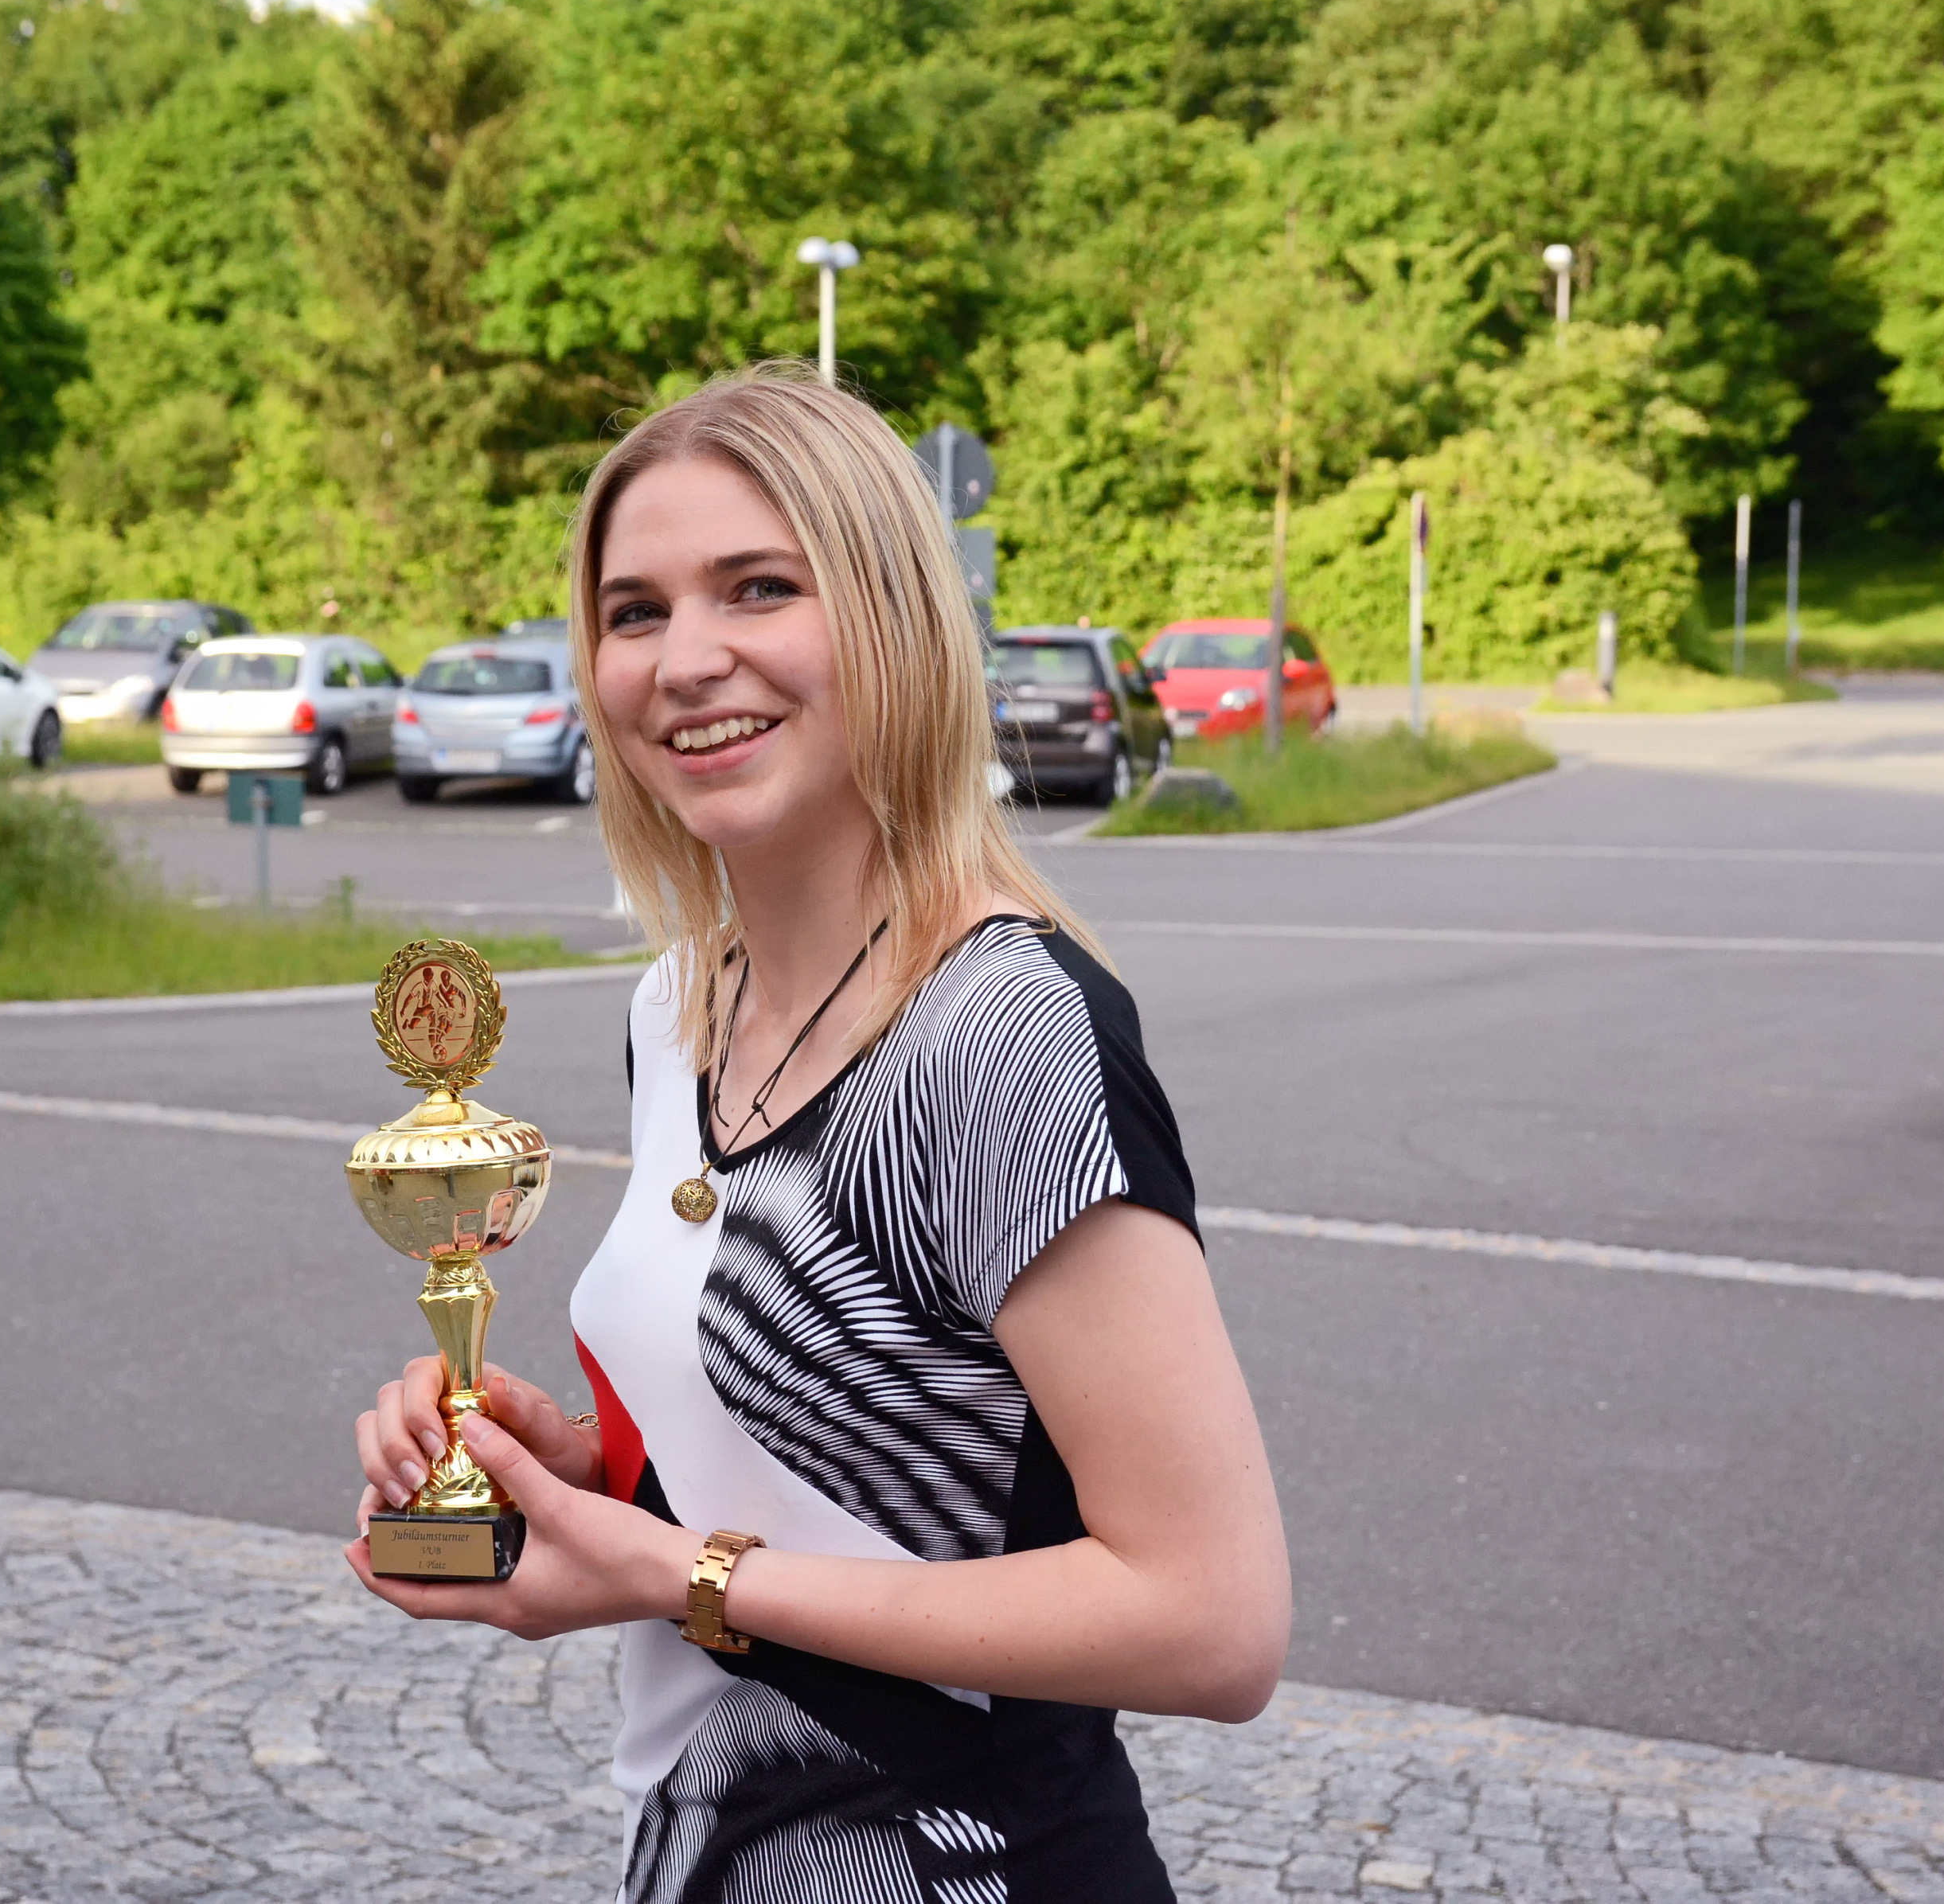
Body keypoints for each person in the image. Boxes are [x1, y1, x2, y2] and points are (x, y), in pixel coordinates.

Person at [349, 364, 1289, 1903]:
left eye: (759, 588)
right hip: (704, 1858)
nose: (685, 659)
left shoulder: (1002, 1032)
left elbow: (1213, 1621)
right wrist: (566, 1472)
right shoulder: (677, 1007)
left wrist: (675, 1574)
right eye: (634, 611)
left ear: (892, 617)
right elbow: (827, 1460)